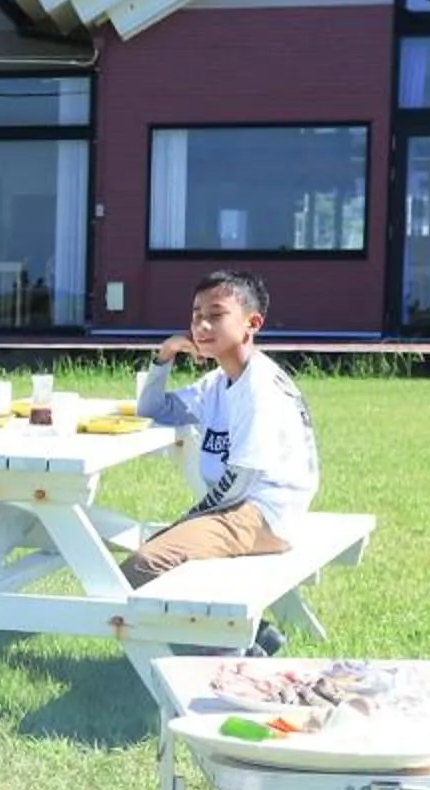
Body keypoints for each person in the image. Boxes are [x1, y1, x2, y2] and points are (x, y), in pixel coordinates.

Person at [122, 269, 322, 654]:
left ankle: (225, 651)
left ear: (252, 323)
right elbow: (154, 409)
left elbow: (243, 480)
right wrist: (163, 357)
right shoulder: (220, 380)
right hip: (243, 507)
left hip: (264, 513)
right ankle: (250, 635)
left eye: (216, 314)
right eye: (196, 314)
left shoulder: (259, 389)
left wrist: (189, 520)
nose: (201, 324)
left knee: (144, 564)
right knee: (161, 548)